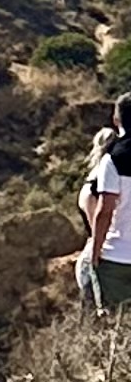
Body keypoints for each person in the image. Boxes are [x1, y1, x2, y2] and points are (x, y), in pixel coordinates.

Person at [77, 96, 131, 311]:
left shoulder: (113, 158)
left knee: (114, 325)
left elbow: (105, 210)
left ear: (116, 119)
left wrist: (96, 249)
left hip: (116, 256)